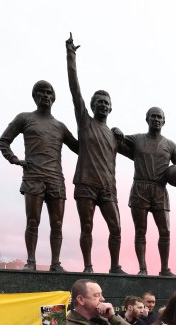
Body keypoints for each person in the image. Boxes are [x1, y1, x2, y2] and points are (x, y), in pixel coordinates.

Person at [0, 79, 79, 271]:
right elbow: (3, 141)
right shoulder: (24, 118)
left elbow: (79, 148)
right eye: (41, 92)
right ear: (35, 96)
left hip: (56, 180)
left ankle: (56, 263)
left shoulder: (59, 126)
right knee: (33, 221)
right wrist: (15, 159)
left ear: (54, 98)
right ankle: (31, 261)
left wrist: (91, 135)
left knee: (57, 224)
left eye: (49, 92)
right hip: (33, 178)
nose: (45, 96)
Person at [66, 33, 125, 274]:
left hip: (108, 186)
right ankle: (88, 266)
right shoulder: (84, 121)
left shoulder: (114, 134)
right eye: (98, 102)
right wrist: (71, 55)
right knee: (86, 226)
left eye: (106, 102)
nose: (102, 104)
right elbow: (74, 88)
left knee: (117, 228)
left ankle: (114, 267)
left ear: (111, 107)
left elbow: (142, 153)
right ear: (91, 106)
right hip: (86, 184)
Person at [118, 107, 176, 275]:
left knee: (165, 231)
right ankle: (143, 268)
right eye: (153, 116)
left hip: (159, 190)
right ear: (147, 119)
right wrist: (116, 131)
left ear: (164, 121)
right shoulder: (137, 139)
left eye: (159, 117)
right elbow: (118, 141)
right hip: (140, 189)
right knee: (140, 231)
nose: (156, 119)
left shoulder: (170, 145)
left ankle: (164, 269)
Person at [60, 279, 141, 325]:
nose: (102, 299)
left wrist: (113, 317)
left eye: (101, 294)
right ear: (81, 300)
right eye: (97, 295)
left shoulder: (110, 323)